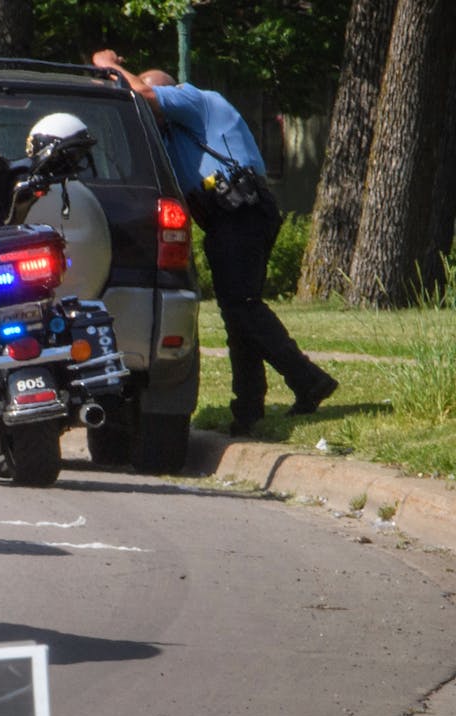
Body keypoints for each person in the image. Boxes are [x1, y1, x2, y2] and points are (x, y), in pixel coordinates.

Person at [91, 50, 338, 436]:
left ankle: (307, 378)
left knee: (241, 307)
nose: (150, 118)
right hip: (226, 220)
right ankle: (248, 409)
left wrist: (106, 64)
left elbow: (145, 94)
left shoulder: (194, 98)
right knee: (237, 309)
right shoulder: (170, 137)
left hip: (244, 212)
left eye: (153, 109)